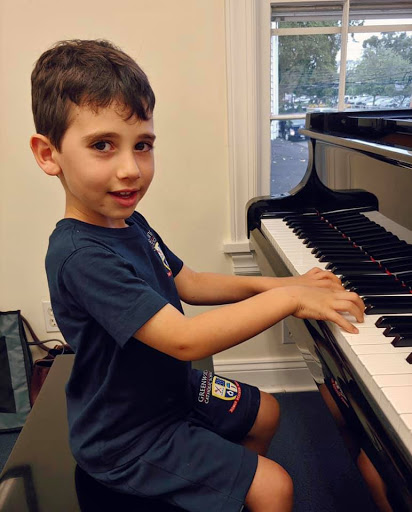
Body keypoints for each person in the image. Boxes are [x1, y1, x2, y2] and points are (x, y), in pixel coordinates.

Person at [29, 39, 364, 512]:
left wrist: (286, 283)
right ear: (49, 154)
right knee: (275, 487)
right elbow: (185, 341)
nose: (131, 169)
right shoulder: (81, 256)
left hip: (171, 391)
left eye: (142, 145)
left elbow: (190, 283)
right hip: (126, 435)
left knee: (267, 413)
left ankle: (220, 493)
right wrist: (289, 301)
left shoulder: (129, 223)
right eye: (102, 145)